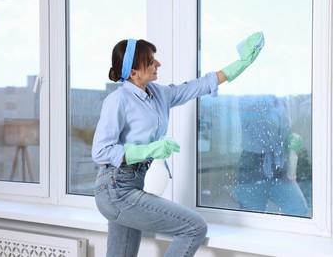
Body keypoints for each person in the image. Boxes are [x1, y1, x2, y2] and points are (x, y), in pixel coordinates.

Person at [92, 32, 264, 257]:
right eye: (151, 60)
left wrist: (240, 64)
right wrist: (147, 150)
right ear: (134, 73)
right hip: (114, 190)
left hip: (132, 185)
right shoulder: (118, 100)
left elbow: (197, 86)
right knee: (194, 227)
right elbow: (100, 151)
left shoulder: (157, 94)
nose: (158, 63)